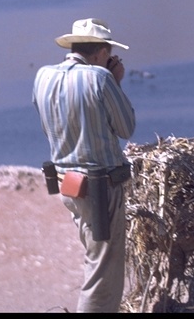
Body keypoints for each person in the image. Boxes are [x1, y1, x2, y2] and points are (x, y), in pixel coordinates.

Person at [33, 18, 136, 313]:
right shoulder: (100, 79)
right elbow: (126, 127)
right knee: (103, 270)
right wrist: (114, 83)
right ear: (102, 52)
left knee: (94, 256)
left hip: (67, 184)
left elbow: (47, 123)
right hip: (101, 187)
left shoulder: (43, 76)